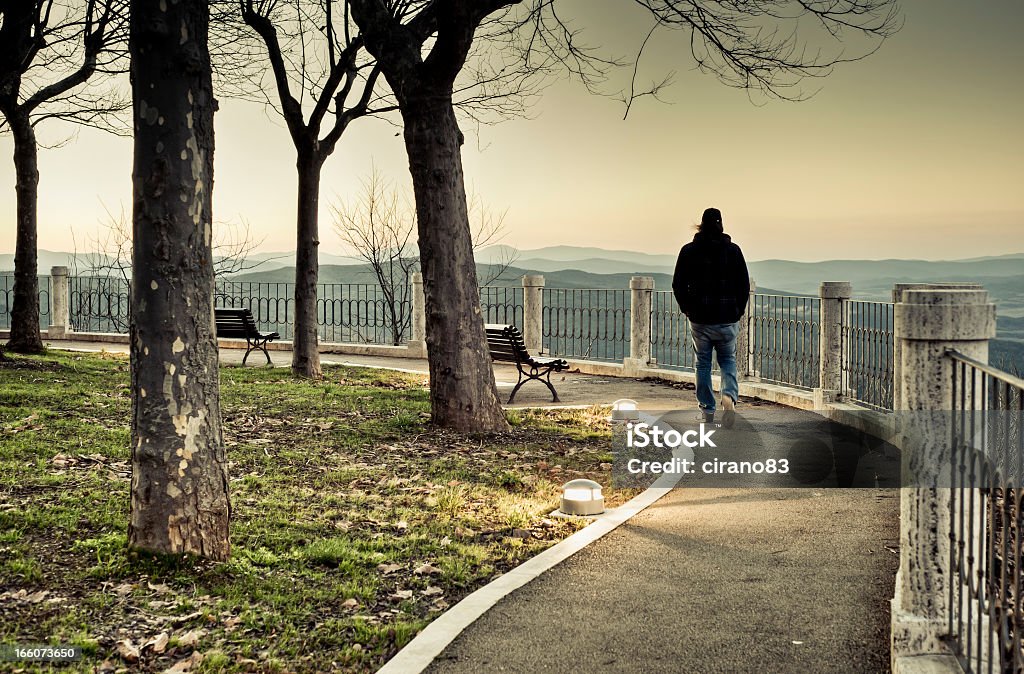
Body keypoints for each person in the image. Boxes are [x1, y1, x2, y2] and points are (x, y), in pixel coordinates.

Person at [671, 207, 750, 427]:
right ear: (721, 224)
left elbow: (678, 284)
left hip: (700, 319)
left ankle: (707, 409)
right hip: (727, 318)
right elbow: (743, 284)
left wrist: (687, 308)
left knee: (703, 363)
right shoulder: (733, 251)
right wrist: (738, 310)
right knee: (728, 360)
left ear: (701, 225)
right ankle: (729, 396)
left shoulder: (688, 251)